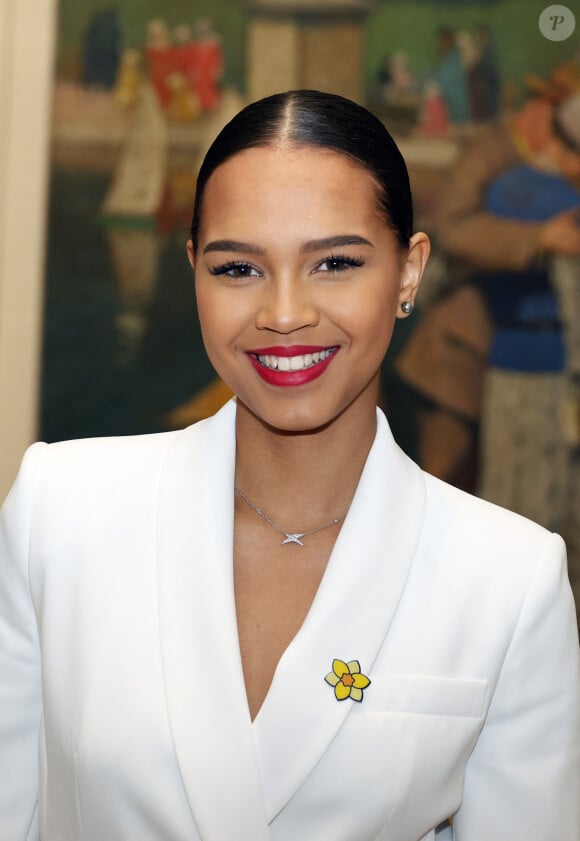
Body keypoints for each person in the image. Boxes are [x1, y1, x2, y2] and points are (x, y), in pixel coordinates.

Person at [0, 90, 578, 841]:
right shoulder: (62, 511)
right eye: (238, 269)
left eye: (335, 262)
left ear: (409, 272)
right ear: (194, 273)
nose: (283, 313)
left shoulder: (509, 578)